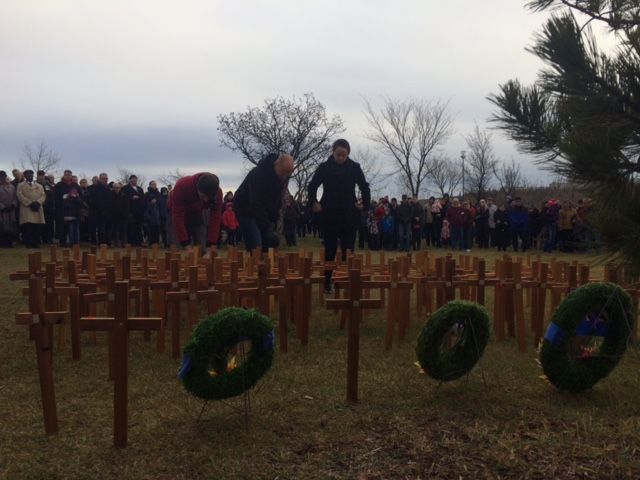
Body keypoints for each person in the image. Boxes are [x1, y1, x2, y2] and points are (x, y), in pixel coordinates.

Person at [308, 139, 370, 293]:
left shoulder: (355, 167)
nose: (341, 158)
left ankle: (347, 280)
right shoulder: (324, 167)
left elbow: (364, 186)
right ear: (333, 152)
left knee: (348, 250)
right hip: (329, 212)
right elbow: (312, 185)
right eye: (338, 155)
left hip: (349, 212)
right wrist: (314, 202)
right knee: (329, 250)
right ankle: (327, 281)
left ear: (348, 153)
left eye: (344, 155)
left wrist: (365, 204)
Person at [234, 154, 294, 252]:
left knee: (268, 245)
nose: (284, 177)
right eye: (283, 173)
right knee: (256, 246)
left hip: (262, 211)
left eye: (287, 175)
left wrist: (273, 222)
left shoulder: (281, 177)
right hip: (245, 209)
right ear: (276, 164)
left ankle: (265, 263)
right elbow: (257, 205)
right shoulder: (258, 175)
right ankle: (255, 263)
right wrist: (267, 229)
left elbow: (276, 201)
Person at [168, 172, 223, 251]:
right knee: (176, 248)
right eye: (203, 196)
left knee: (201, 246)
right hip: (177, 213)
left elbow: (216, 217)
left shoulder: (218, 193)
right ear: (197, 187)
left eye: (209, 197)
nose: (206, 200)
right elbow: (177, 215)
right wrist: (185, 243)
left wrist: (211, 244)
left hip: (197, 213)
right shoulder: (182, 185)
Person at [16, 170, 46, 248]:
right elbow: (19, 195)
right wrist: (29, 203)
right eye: (28, 175)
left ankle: (36, 243)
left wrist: (38, 202)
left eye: (31, 175)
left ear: (33, 176)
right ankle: (28, 243)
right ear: (25, 176)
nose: (30, 176)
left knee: (37, 227)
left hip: (37, 208)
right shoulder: (20, 185)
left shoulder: (39, 186)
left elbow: (43, 196)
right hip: (27, 208)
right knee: (28, 227)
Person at [122, 175, 145, 246]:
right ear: (130, 180)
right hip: (130, 210)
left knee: (139, 227)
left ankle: (139, 242)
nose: (134, 181)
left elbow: (143, 198)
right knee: (131, 227)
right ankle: (131, 242)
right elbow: (123, 198)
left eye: (135, 179)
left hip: (139, 211)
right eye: (133, 179)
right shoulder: (125, 188)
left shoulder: (140, 189)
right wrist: (131, 197)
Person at [0, 171, 18, 247]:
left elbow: (15, 197)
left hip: (11, 210)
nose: (2, 178)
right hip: (1, 210)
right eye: (1, 176)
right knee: (2, 225)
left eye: (4, 176)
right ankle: (2, 243)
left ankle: (10, 242)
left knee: (10, 226)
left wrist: (13, 205)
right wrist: (2, 207)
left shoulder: (11, 186)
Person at [144, 180, 162, 246]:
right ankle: (150, 243)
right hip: (150, 213)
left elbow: (161, 203)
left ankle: (156, 243)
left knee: (157, 229)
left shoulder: (158, 194)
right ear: (150, 185)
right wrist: (151, 203)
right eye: (153, 184)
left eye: (155, 184)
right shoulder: (147, 194)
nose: (154, 186)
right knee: (151, 229)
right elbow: (144, 204)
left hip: (157, 213)